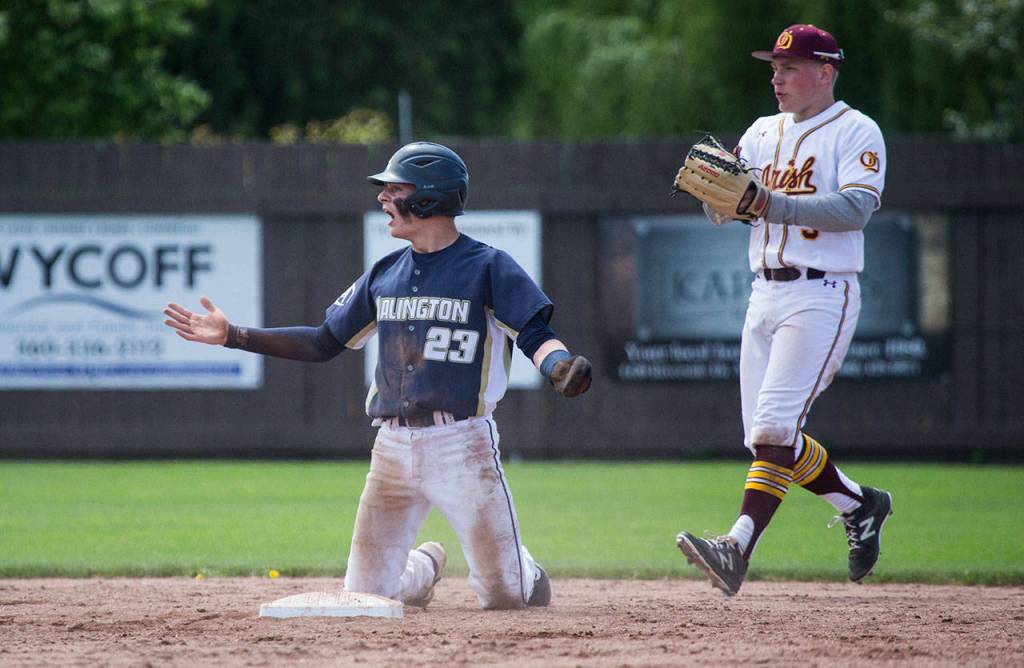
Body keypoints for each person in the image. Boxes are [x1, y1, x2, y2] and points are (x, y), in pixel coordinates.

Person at [164, 141, 592, 609]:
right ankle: (424, 569)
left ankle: (523, 572)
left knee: (504, 596)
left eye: (395, 189)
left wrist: (558, 366)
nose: (383, 198)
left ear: (429, 198)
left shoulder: (487, 267)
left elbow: (532, 330)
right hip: (391, 447)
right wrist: (234, 335)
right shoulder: (384, 274)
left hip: (462, 446)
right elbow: (323, 341)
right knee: (365, 597)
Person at [674, 24, 892, 596]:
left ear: (827, 71)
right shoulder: (761, 132)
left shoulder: (856, 129)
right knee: (768, 440)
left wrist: (768, 201)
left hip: (822, 292)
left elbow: (854, 209)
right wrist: (718, 201)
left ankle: (736, 547)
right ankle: (861, 504)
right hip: (763, 292)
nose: (777, 77)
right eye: (774, 66)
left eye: (790, 67)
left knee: (774, 427)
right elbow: (729, 207)